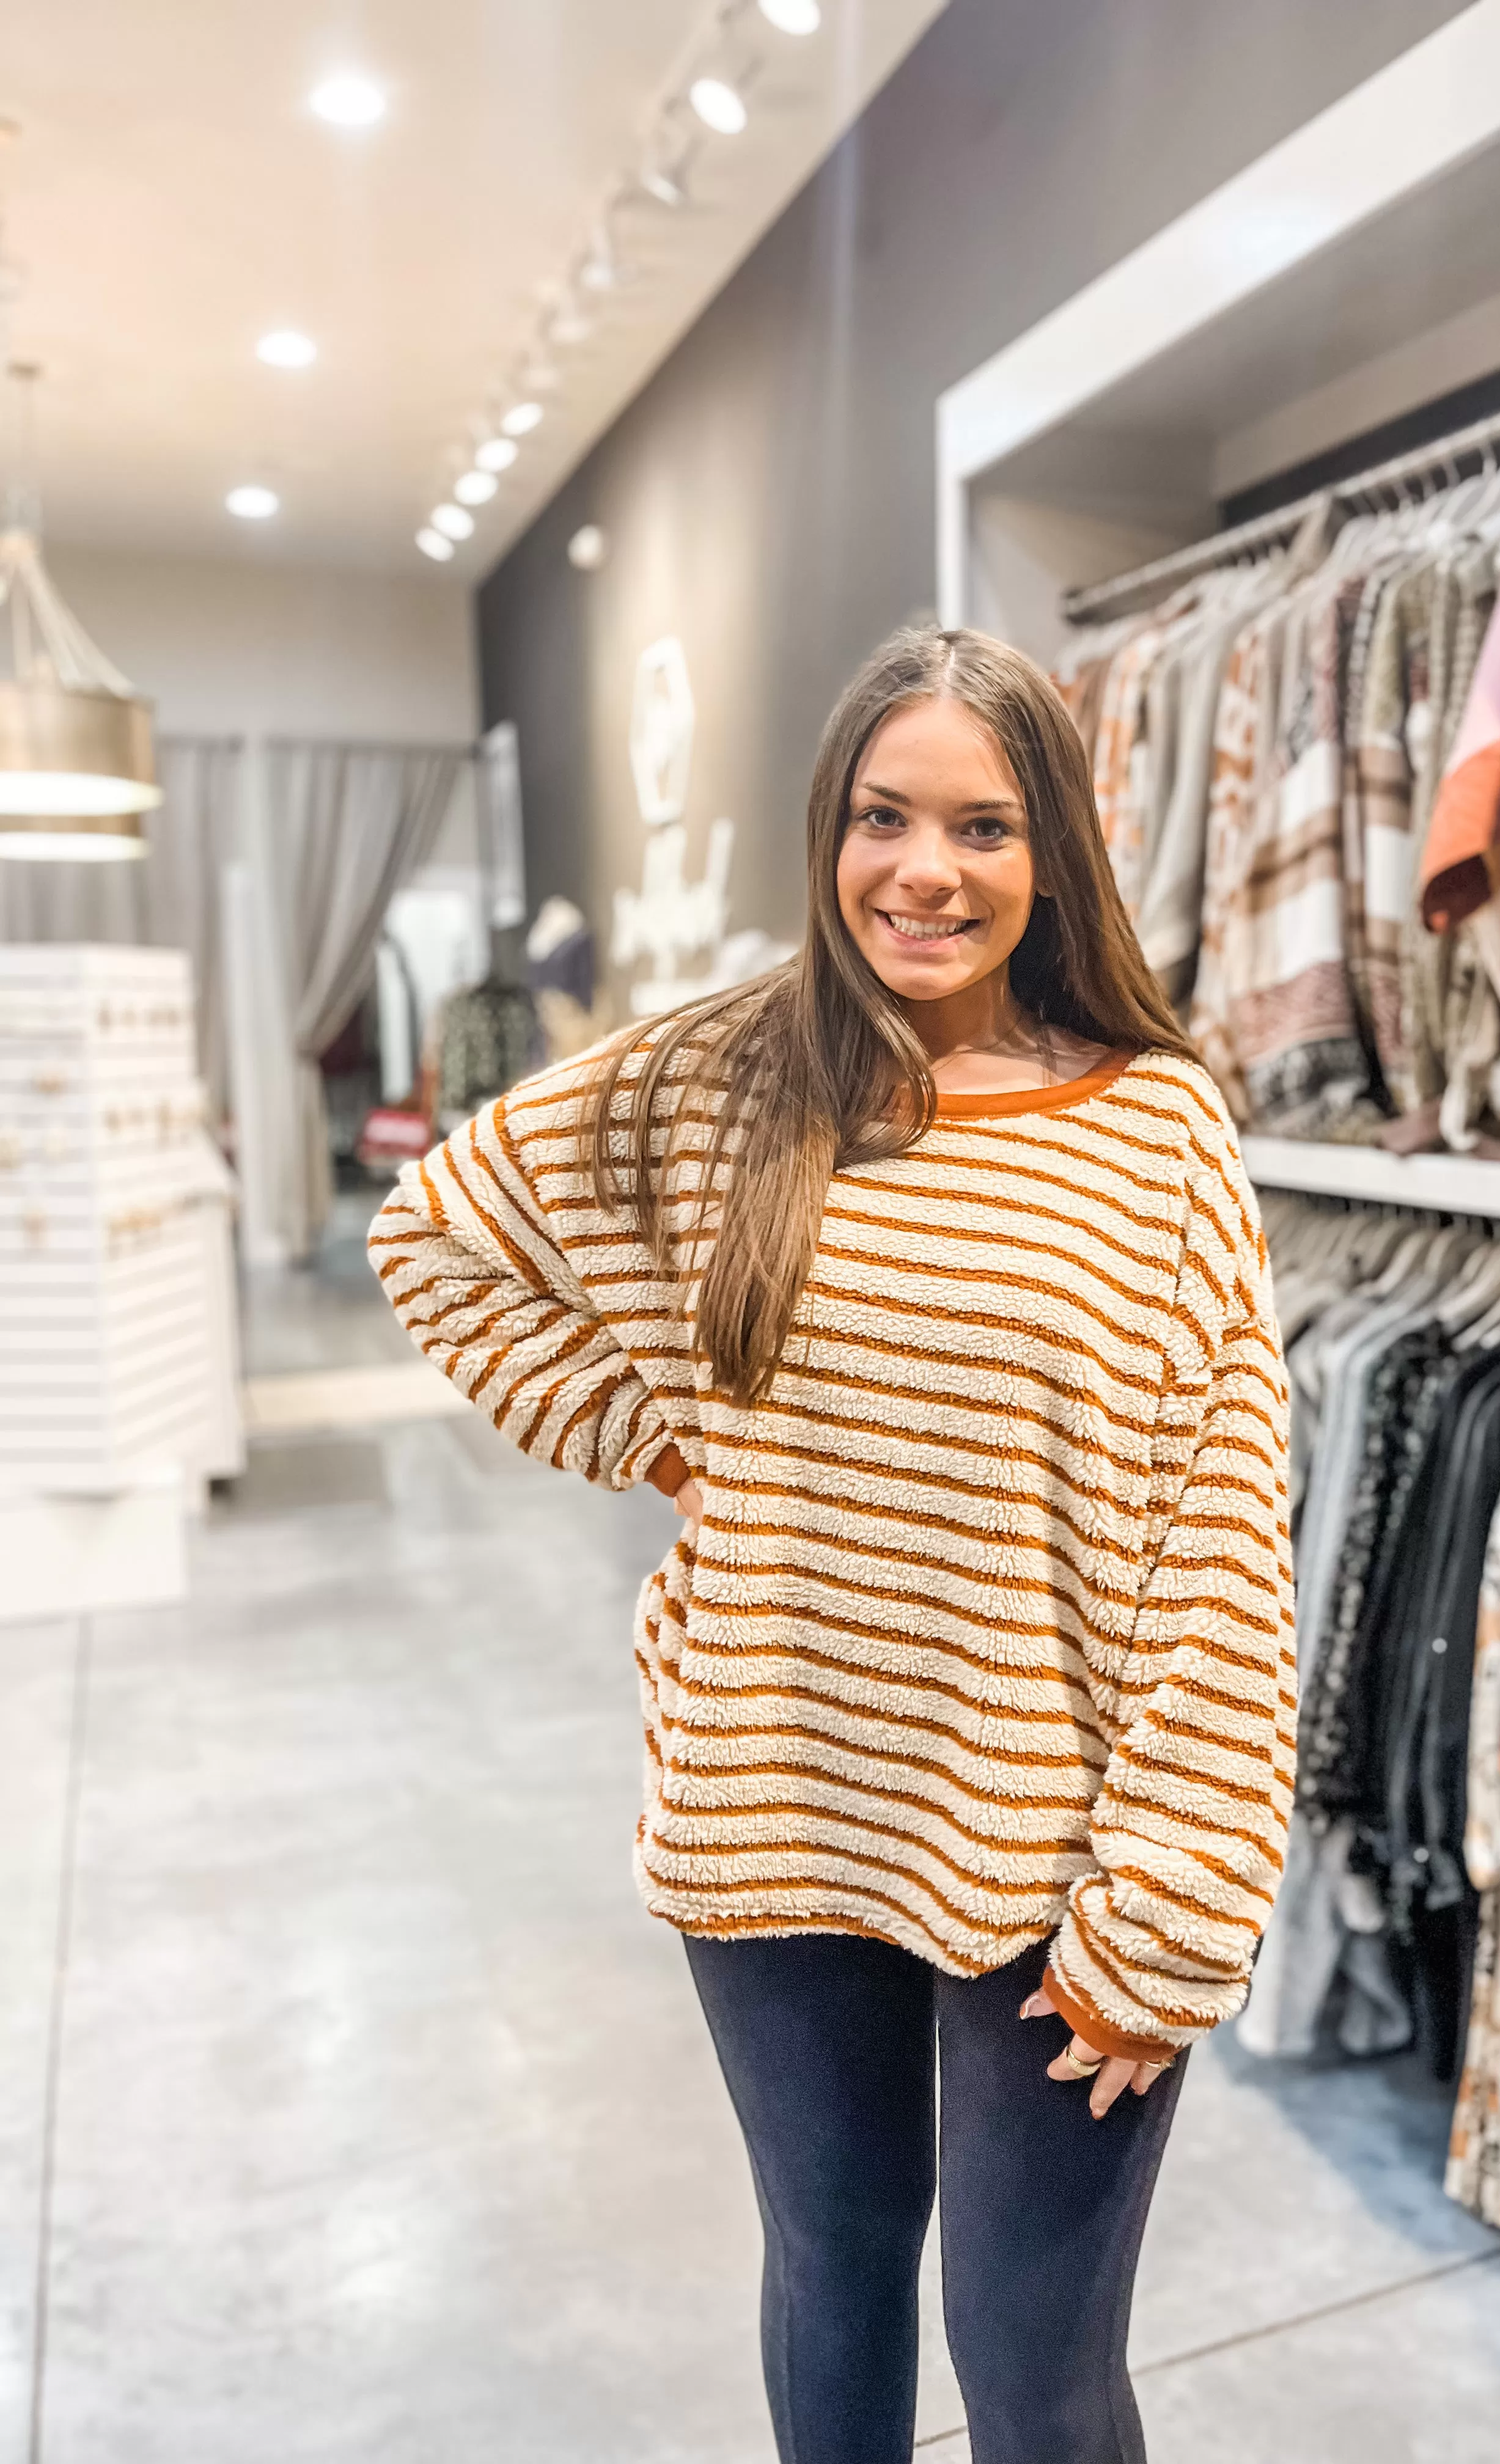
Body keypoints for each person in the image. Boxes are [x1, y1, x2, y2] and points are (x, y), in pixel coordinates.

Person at [369, 626, 1295, 2464]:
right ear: (830, 829)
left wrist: (1180, 1888)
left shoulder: (1155, 1125)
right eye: (883, 818)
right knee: (837, 2268)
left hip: (1054, 1837)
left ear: (1053, 861)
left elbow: (1224, 1517)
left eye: (982, 826)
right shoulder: (727, 1078)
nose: (924, 871)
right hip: (773, 1788)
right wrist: (650, 1437)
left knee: (1035, 2369)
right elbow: (440, 1235)